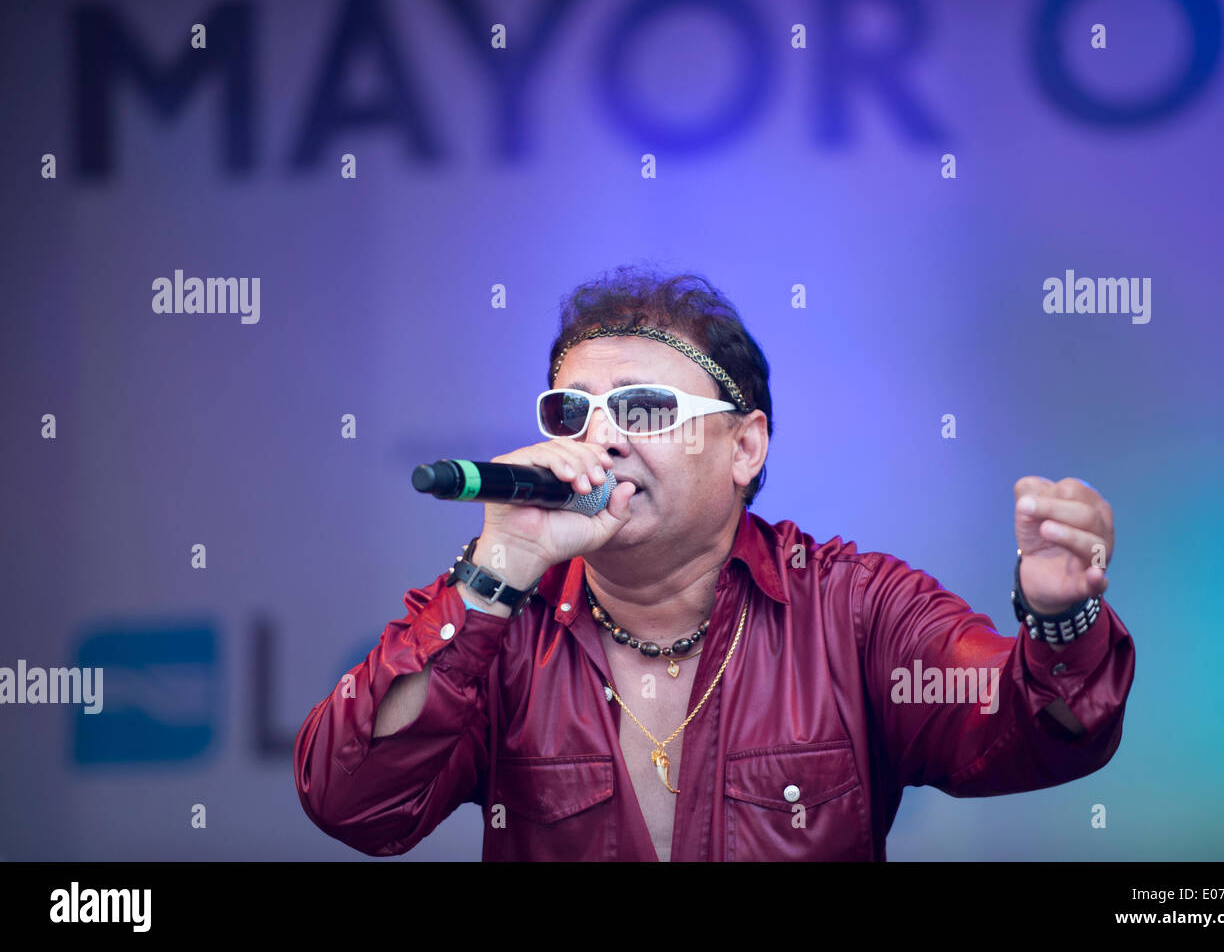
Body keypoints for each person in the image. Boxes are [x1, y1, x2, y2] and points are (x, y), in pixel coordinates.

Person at [293, 266, 1135, 861]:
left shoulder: (855, 609)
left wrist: (1061, 617)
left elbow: (1034, 730)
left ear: (745, 445)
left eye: (645, 409)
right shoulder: (503, 627)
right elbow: (354, 803)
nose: (603, 438)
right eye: (572, 412)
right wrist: (494, 569)